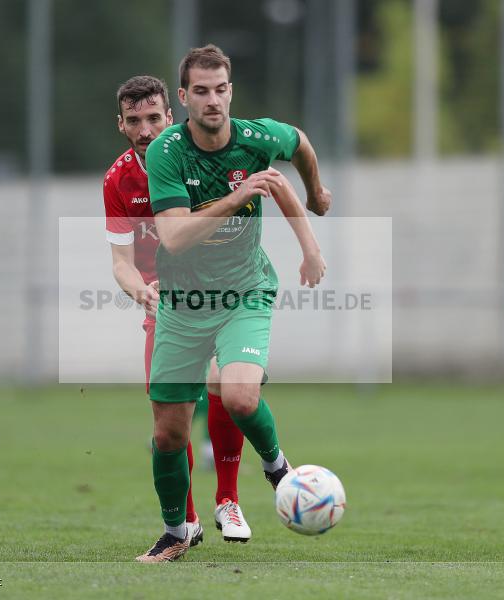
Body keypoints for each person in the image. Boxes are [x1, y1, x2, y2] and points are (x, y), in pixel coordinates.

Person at [136, 44, 330, 563]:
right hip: (182, 302)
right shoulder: (167, 152)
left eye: (220, 89)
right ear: (183, 97)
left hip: (244, 291)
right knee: (168, 430)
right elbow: (174, 239)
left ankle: (276, 468)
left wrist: (315, 196)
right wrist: (239, 197)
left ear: (230, 92)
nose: (213, 100)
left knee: (240, 396)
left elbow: (301, 144)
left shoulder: (257, 136)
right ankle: (177, 532)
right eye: (200, 91)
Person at [102, 75, 252, 548]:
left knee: (225, 387)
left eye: (153, 118)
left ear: (171, 117)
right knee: (170, 425)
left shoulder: (201, 159)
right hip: (165, 307)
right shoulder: (117, 181)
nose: (145, 130)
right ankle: (185, 524)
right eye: (134, 121)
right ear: (121, 125)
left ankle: (227, 498)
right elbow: (121, 264)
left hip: (220, 295)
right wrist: (141, 291)